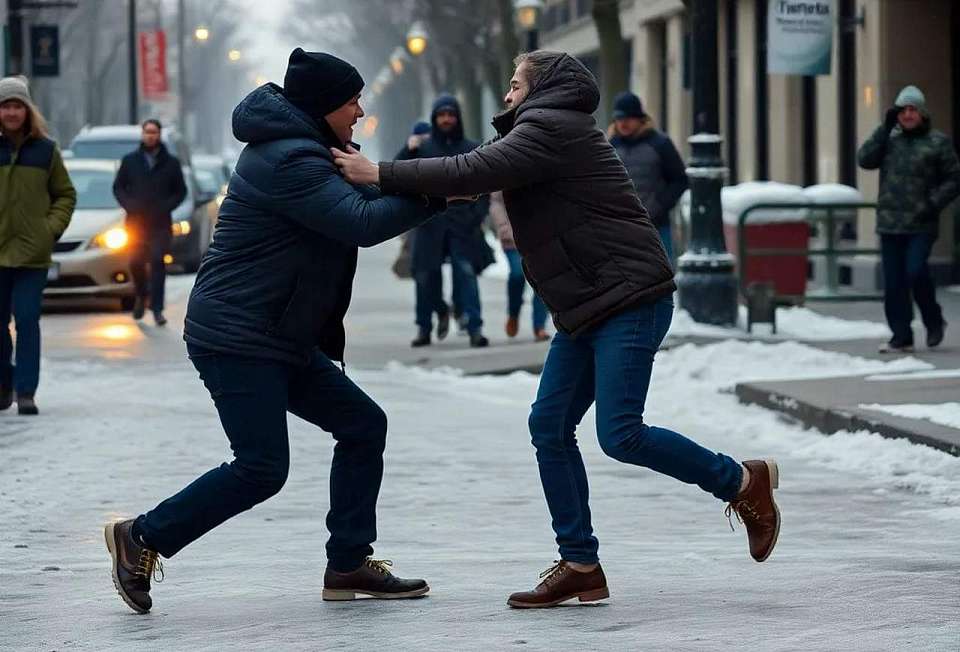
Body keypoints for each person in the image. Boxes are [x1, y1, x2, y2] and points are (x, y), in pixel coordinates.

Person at [334, 50, 781, 609]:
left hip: (628, 300)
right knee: (548, 425)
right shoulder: (538, 131)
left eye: (515, 82)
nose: (506, 94)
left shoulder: (553, 128)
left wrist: (377, 171)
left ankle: (741, 482)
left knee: (621, 434)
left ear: (541, 86)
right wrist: (376, 190)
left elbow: (471, 171)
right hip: (586, 306)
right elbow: (471, 181)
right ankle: (580, 564)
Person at [103, 49, 441, 615]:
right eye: (353, 100)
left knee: (362, 426)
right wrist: (434, 198)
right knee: (261, 467)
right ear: (324, 105)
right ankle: (141, 537)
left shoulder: (312, 150)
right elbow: (359, 222)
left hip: (276, 335)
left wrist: (427, 181)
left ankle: (348, 561)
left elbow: (370, 195)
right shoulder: (289, 161)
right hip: (237, 336)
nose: (360, 110)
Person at [858, 85, 960, 353]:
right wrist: (884, 128)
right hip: (890, 222)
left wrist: (934, 202)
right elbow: (865, 160)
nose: (907, 115)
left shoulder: (938, 142)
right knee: (894, 283)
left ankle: (933, 320)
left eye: (913, 109)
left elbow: (954, 178)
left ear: (922, 113)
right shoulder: (889, 139)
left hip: (921, 223)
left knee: (915, 272)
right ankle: (901, 336)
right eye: (902, 110)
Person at [0, 76, 76, 416]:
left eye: (17, 106)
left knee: (27, 320)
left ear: (27, 110)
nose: (12, 112)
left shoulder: (46, 150)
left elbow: (65, 195)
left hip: (32, 254)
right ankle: (5, 386)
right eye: (6, 106)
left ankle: (26, 391)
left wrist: (49, 229)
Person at [398, 94, 491, 348]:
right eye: (441, 115)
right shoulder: (423, 149)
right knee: (425, 277)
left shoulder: (472, 147)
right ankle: (424, 327)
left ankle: (475, 327)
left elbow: (486, 186)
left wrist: (475, 216)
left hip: (463, 226)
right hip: (429, 225)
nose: (446, 119)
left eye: (451, 114)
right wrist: (409, 148)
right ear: (434, 118)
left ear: (458, 117)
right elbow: (397, 172)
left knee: (466, 275)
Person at [112, 119, 188, 326]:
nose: (150, 136)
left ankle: (157, 309)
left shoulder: (171, 163)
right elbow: (118, 187)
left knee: (157, 261)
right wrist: (129, 204)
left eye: (154, 132)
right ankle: (141, 295)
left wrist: (166, 206)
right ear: (142, 134)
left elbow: (180, 191)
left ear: (159, 134)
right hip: (136, 223)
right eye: (147, 132)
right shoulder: (130, 161)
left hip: (160, 223)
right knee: (135, 261)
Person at [608, 91, 687, 262]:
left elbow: (680, 180)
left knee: (660, 276)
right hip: (619, 226)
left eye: (629, 118)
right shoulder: (609, 146)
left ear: (639, 118)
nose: (623, 123)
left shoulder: (660, 144)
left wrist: (659, 206)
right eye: (619, 118)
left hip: (655, 226)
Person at [489, 190, 548, 341]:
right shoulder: (503, 168)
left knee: (542, 279)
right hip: (512, 235)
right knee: (517, 274)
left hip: (540, 235)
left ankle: (539, 325)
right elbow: (496, 202)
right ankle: (513, 314)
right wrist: (503, 227)